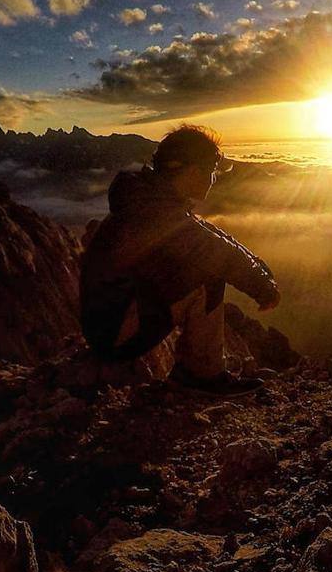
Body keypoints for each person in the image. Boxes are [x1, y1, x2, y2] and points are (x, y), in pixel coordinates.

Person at [80, 124, 280, 394]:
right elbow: (212, 250)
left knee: (208, 263)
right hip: (115, 334)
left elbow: (205, 233)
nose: (212, 179)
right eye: (211, 172)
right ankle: (200, 374)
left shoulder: (150, 200)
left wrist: (257, 265)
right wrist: (262, 286)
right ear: (195, 172)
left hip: (110, 323)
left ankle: (197, 371)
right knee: (210, 273)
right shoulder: (154, 210)